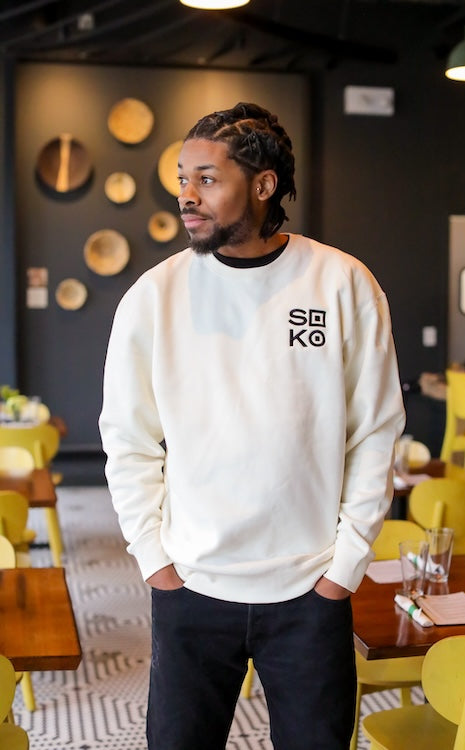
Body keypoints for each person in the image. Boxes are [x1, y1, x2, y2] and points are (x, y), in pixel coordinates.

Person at [99, 101, 405, 750]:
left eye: (207, 179)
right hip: (191, 585)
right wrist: (154, 560)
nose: (187, 195)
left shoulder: (343, 284)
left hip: (309, 592)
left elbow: (376, 432)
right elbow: (127, 439)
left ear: (263, 185)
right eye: (183, 177)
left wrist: (344, 568)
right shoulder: (154, 296)